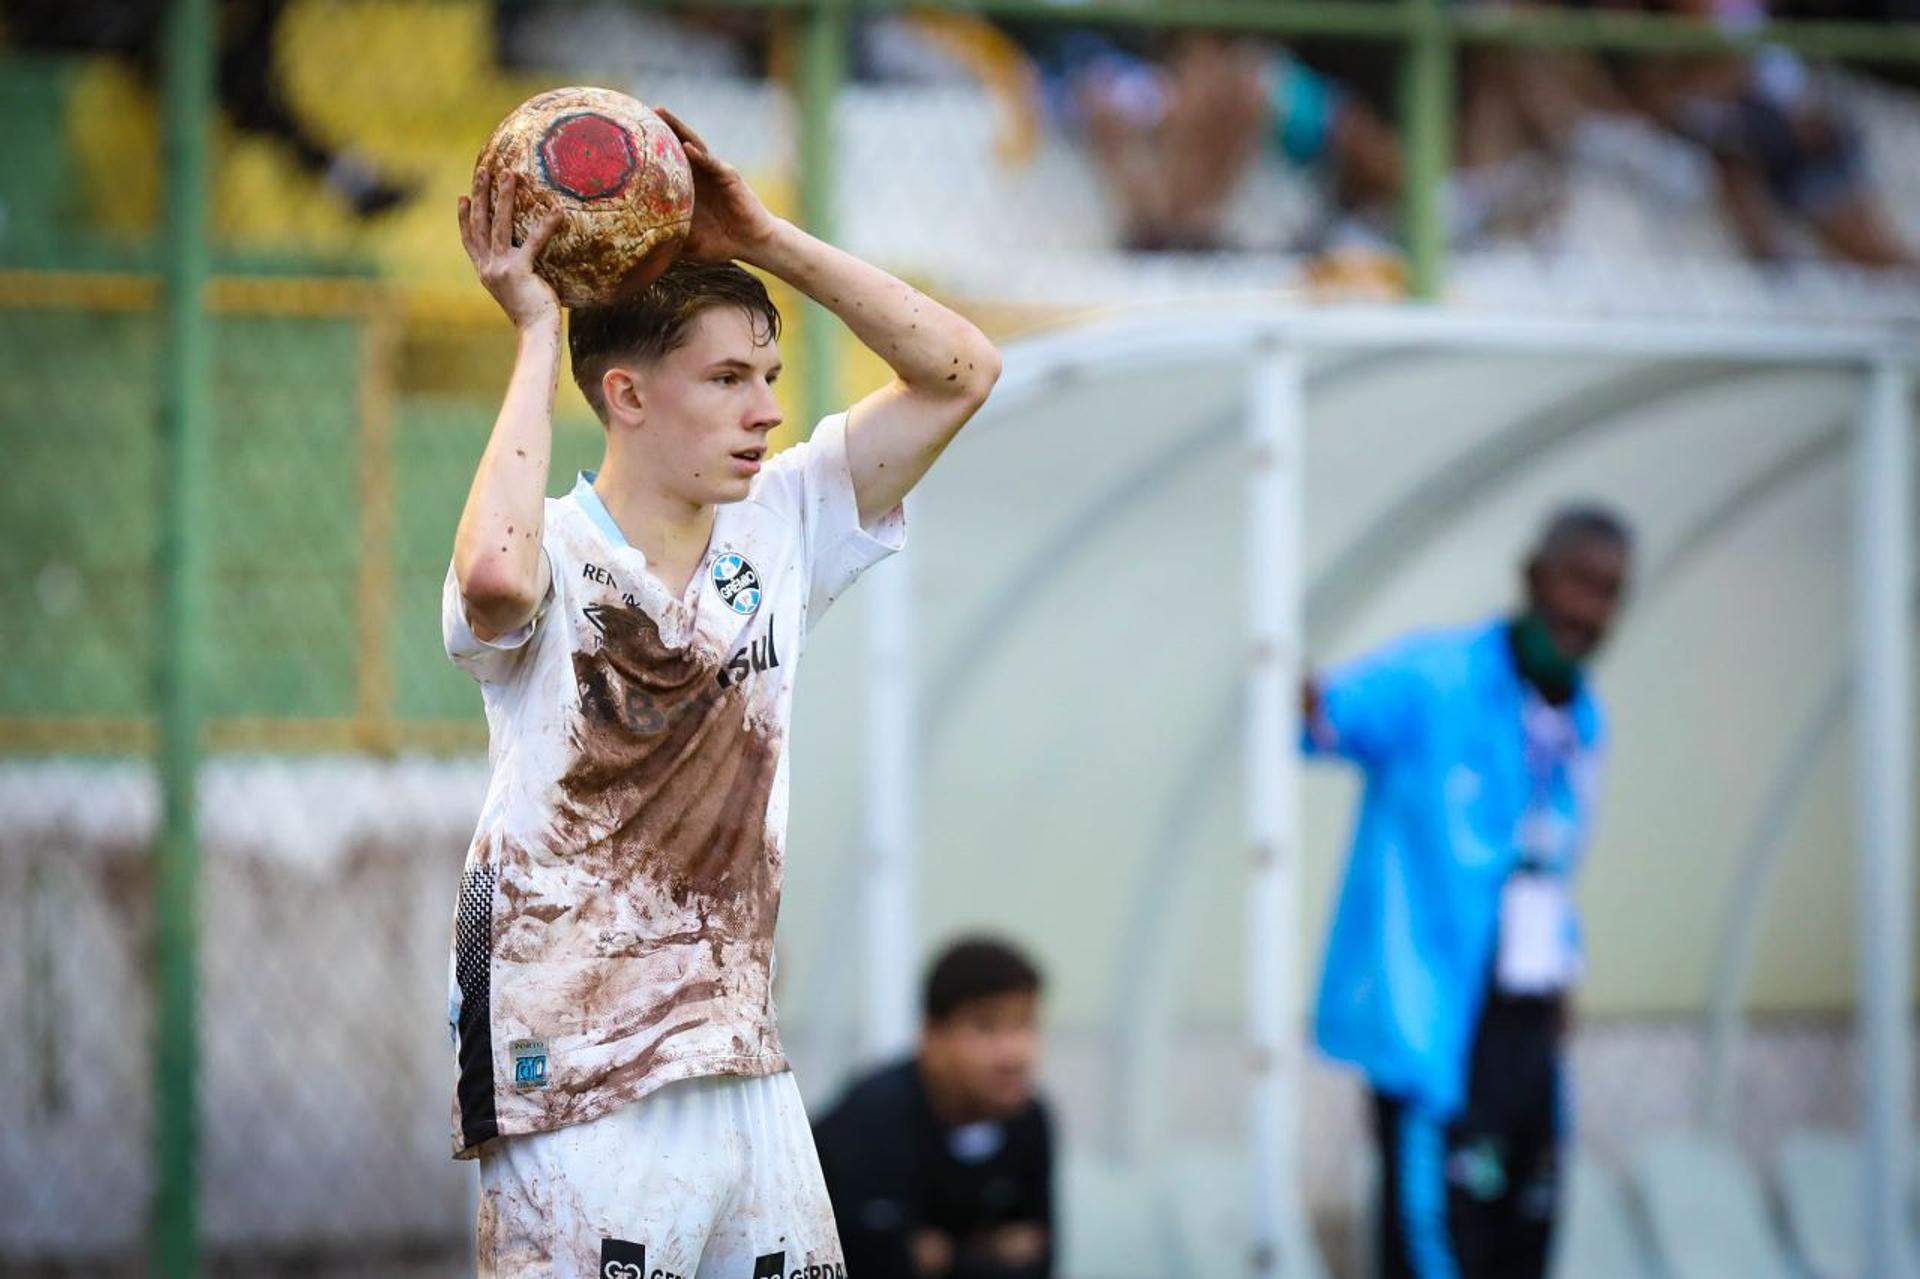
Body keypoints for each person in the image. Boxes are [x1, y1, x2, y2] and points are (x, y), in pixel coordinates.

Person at [444, 107, 1000, 1274]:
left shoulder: (784, 520)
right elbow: (493, 583)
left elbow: (962, 373)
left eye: (772, 376)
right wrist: (540, 332)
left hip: (740, 1059)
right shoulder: (550, 547)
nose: (767, 409)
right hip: (575, 1069)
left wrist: (767, 238)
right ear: (630, 396)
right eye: (730, 378)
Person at [1303, 507, 1634, 1279]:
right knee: (1438, 1252)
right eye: (1578, 582)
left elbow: (1550, 867)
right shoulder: (1435, 679)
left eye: (1611, 592)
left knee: (1526, 1246)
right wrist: (1284, 679)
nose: (1590, 610)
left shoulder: (1583, 719)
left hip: (1530, 1037)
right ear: (1532, 576)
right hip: (1437, 1043)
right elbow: (1317, 717)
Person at [813, 938, 1054, 1279]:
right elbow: (879, 1262)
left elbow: (1039, 1263)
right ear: (931, 1035)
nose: (1013, 1053)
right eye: (986, 1027)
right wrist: (986, 1252)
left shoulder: (1030, 1119)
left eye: (1025, 1024)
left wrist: (944, 1255)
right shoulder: (873, 1117)